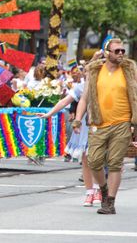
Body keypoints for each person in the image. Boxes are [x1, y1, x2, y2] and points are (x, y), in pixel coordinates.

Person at [74, 39, 137, 214]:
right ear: (107, 52)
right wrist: (78, 120)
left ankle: (110, 201)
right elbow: (84, 98)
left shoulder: (129, 71)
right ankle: (102, 189)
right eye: (117, 51)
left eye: (123, 51)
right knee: (93, 161)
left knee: (115, 163)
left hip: (122, 123)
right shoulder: (95, 72)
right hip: (98, 123)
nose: (121, 54)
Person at [39, 65, 102, 207]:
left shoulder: (106, 85)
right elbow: (64, 101)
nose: (89, 75)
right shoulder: (81, 87)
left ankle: (99, 189)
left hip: (102, 124)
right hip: (86, 125)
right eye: (87, 72)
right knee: (86, 159)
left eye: (92, 72)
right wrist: (49, 114)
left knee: (98, 158)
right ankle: (89, 192)